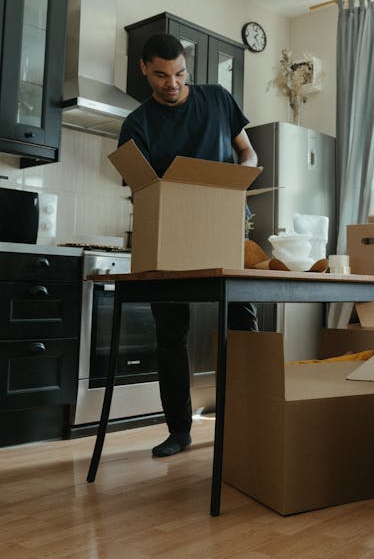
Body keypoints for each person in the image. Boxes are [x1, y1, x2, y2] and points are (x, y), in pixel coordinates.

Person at [118, 33, 259, 457]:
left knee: (243, 323)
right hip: (169, 235)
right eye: (161, 75)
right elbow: (140, 188)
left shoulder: (217, 98)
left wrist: (239, 180)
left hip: (223, 224)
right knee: (170, 334)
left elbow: (247, 153)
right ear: (145, 69)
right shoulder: (136, 125)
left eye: (179, 73)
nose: (172, 83)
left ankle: (250, 417)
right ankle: (179, 430)